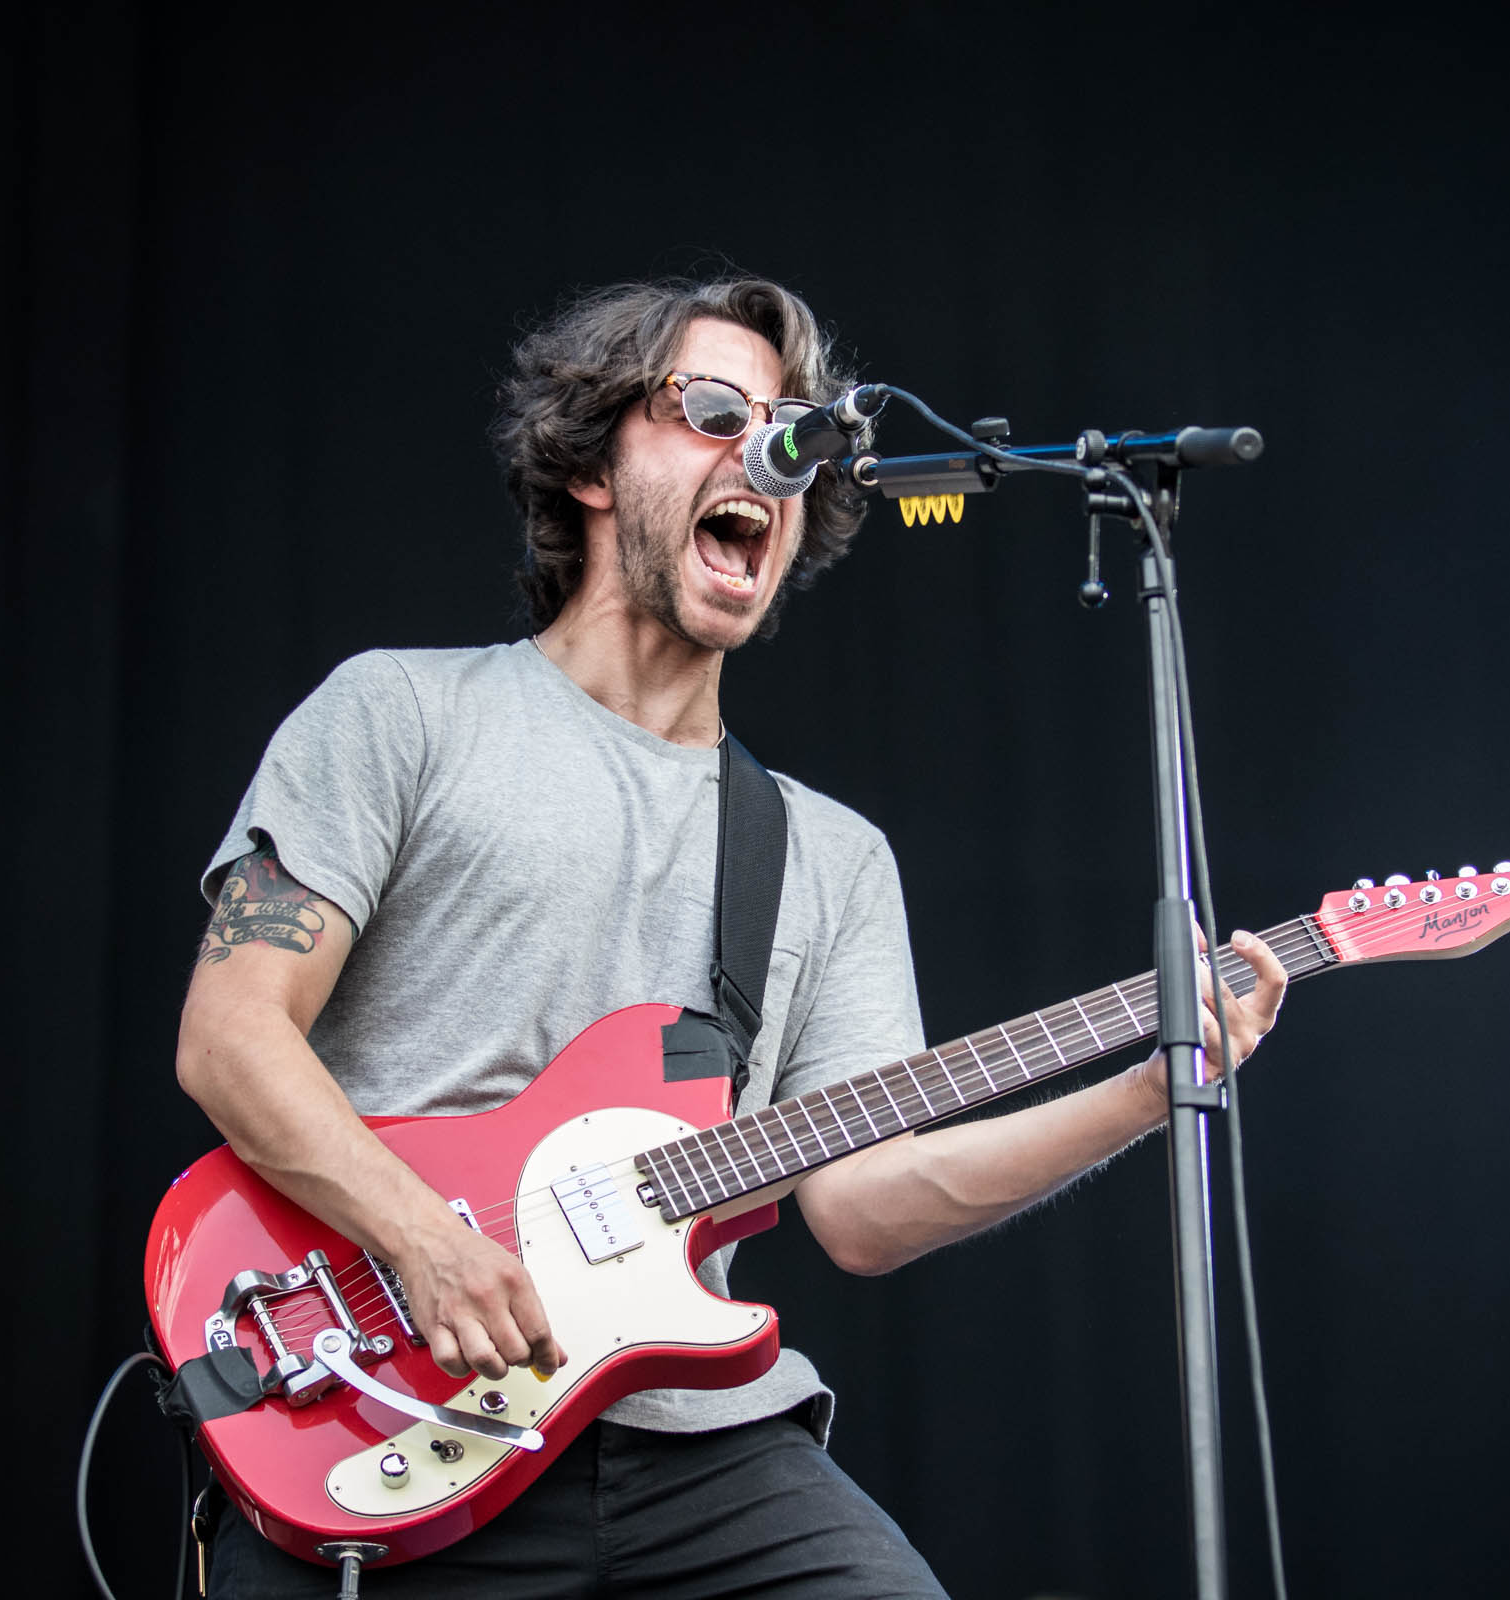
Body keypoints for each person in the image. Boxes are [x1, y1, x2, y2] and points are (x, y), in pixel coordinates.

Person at [175, 275, 1288, 1597]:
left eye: (799, 430)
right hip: (390, 1402)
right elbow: (231, 1036)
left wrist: (1145, 1093)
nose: (771, 451)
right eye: (713, 411)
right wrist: (429, 1243)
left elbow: (867, 1207)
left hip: (696, 1445)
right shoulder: (402, 716)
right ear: (593, 465)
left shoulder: (827, 857)